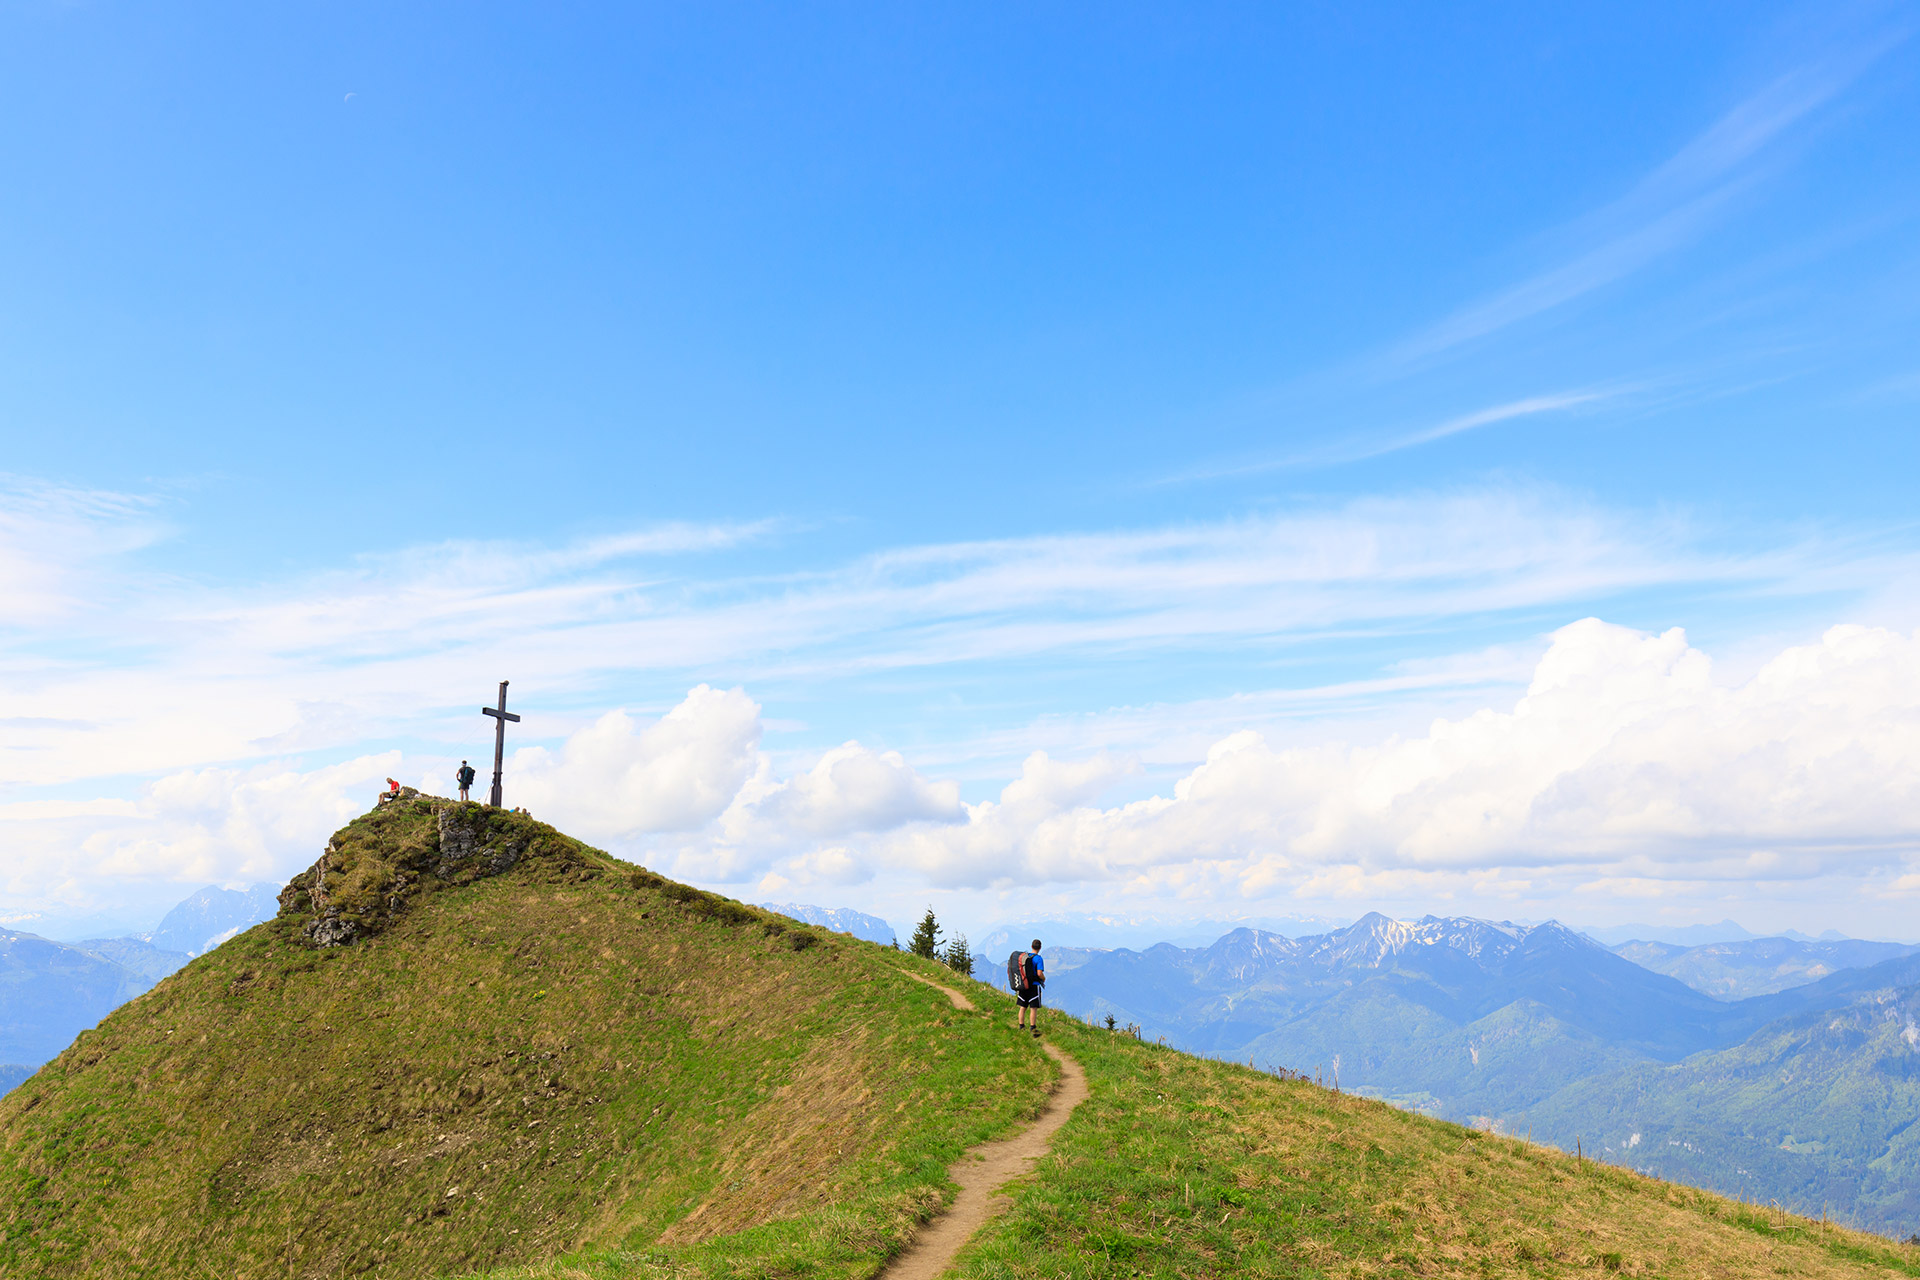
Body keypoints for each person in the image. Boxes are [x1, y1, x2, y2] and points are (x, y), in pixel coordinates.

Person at [1016, 939, 1046, 1037]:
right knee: (1033, 1008)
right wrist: (1043, 978)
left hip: (1024, 985)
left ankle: (1021, 1027)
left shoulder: (1025, 957)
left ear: (1031, 946)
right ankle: (1033, 1029)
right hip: (1034, 985)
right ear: (1040, 948)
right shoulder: (1039, 959)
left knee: (1023, 1007)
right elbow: (1039, 973)